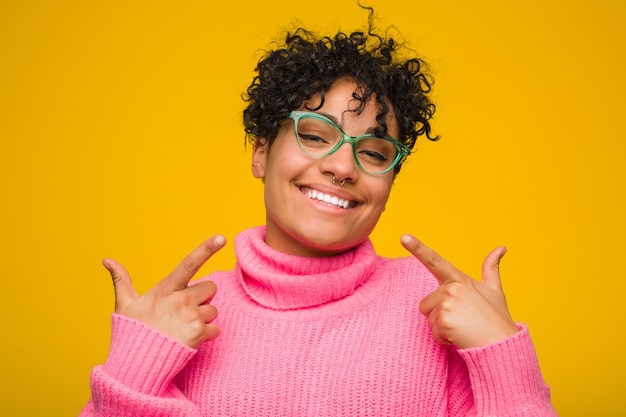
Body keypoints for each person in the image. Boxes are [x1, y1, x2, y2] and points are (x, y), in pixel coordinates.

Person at [80, 9, 557, 417]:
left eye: (372, 151)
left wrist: (502, 353)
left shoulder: (438, 309)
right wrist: (133, 367)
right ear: (262, 152)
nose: (342, 166)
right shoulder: (185, 319)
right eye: (314, 134)